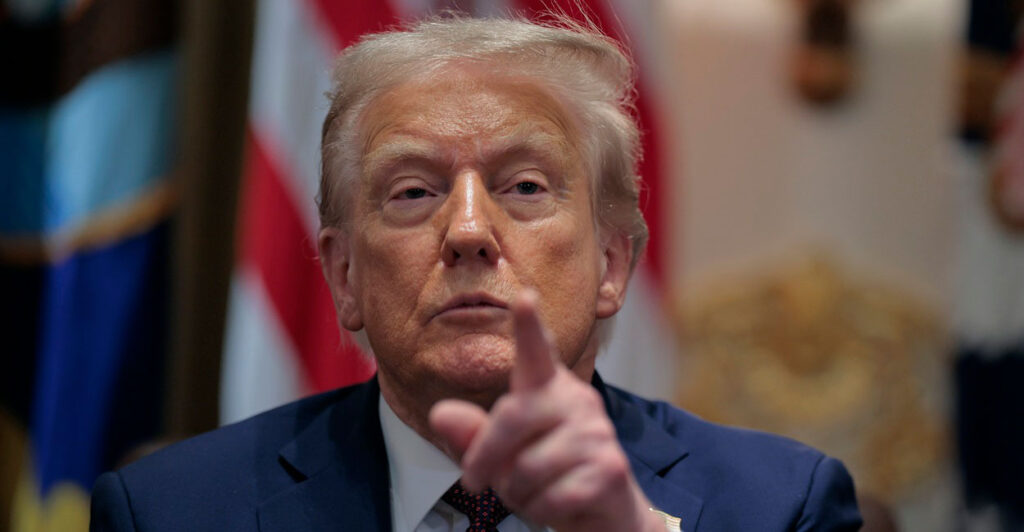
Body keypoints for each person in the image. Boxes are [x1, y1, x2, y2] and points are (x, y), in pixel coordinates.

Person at [90, 15, 862, 532]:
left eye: (524, 187)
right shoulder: (171, 513)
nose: (466, 231)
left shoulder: (780, 507)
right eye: (413, 192)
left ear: (612, 263)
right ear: (344, 275)